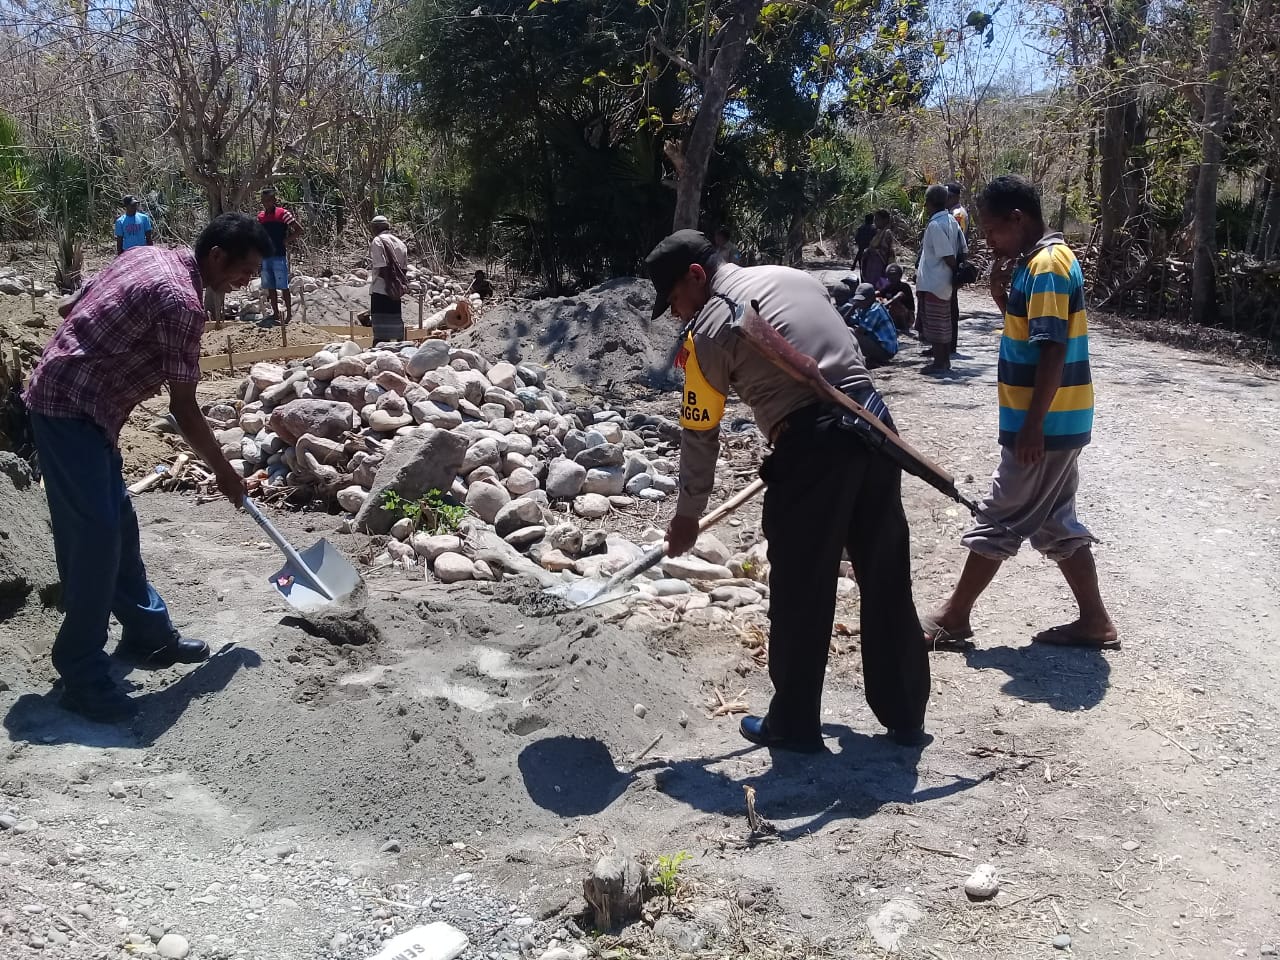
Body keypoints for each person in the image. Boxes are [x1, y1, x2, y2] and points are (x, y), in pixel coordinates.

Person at [645, 229, 930, 753]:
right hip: (875, 425)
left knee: (802, 586)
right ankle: (905, 713)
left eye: (675, 299)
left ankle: (795, 725)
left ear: (695, 276)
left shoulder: (710, 327)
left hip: (814, 444)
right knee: (884, 571)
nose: (676, 313)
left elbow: (700, 431)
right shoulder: (791, 278)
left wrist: (688, 514)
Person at [23, 213, 272, 723]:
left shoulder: (145, 255)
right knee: (95, 535)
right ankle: (82, 671)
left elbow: (75, 305)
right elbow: (184, 407)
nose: (245, 283)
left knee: (120, 525)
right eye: (243, 271)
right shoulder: (181, 302)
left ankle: (147, 635)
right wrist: (225, 471)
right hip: (68, 408)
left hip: (91, 406)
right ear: (217, 256)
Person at [921, 175, 1117, 652]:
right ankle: (1095, 621)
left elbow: (1051, 349)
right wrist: (999, 291)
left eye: (992, 232)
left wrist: (1032, 425)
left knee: (1000, 514)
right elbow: (1032, 327)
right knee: (1055, 522)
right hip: (1054, 422)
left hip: (1044, 425)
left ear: (1018, 219)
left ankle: (953, 617)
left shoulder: (1048, 264)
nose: (988, 241)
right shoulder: (1038, 262)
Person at [916, 185, 962, 375]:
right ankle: (942, 360)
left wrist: (956, 272)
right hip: (943, 281)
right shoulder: (952, 221)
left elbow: (948, 255)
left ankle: (940, 362)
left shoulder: (936, 225)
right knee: (942, 321)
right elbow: (962, 248)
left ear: (928, 203)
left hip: (935, 280)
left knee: (936, 323)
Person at [257, 187, 302, 325]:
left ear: (274, 200)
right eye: (264, 201)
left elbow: (299, 229)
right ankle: (275, 313)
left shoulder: (283, 214)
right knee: (270, 285)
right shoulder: (260, 217)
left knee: (283, 285)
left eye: (269, 200)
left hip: (279, 255)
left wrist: (286, 240)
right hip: (266, 256)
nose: (266, 203)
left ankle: (288, 314)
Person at [368, 215, 409, 342]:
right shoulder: (400, 243)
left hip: (381, 289)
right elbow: (404, 270)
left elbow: (382, 267)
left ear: (376, 227)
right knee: (395, 323)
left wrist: (389, 286)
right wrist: (396, 287)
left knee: (381, 329)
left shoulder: (377, 241)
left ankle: (380, 350)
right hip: (396, 292)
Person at [840, 282, 898, 368]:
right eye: (858, 300)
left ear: (872, 298)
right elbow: (844, 322)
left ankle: (870, 359)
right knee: (849, 330)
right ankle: (871, 359)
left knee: (851, 333)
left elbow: (860, 331)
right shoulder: (863, 308)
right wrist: (853, 308)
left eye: (862, 300)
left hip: (886, 351)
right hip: (878, 345)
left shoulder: (875, 309)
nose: (860, 302)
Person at [946, 183, 970, 357]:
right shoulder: (951, 213)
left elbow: (956, 240)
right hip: (951, 261)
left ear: (954, 196)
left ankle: (950, 343)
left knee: (951, 303)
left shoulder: (958, 215)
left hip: (954, 261)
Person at [860, 209, 895, 291]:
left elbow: (887, 251)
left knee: (880, 289)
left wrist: (873, 251)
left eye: (877, 219)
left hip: (880, 267)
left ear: (885, 220)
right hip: (873, 267)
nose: (875, 222)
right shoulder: (878, 233)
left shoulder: (887, 233)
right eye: (875, 219)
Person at [880, 263, 916, 333]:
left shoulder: (904, 286)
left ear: (899, 275)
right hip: (893, 314)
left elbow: (899, 296)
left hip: (907, 316)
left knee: (895, 305)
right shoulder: (886, 285)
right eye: (890, 275)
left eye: (895, 275)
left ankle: (905, 328)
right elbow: (879, 293)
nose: (892, 277)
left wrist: (885, 305)